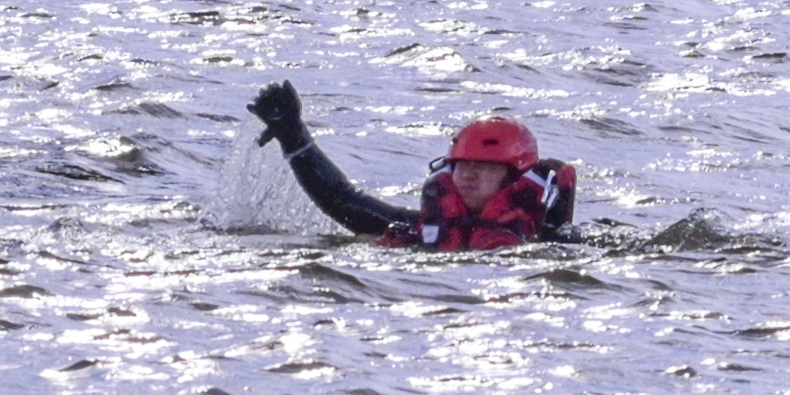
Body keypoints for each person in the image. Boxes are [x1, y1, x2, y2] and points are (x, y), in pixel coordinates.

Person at [244, 79, 577, 250]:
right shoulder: (419, 230)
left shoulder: (549, 245)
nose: (468, 175)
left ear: (512, 180)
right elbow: (341, 200)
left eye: (485, 167)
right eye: (461, 165)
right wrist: (293, 134)